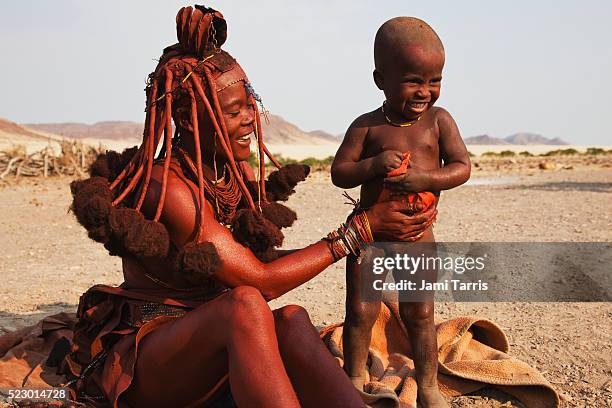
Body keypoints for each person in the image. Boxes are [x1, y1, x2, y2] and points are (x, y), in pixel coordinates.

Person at [61, 6, 436, 408]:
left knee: (292, 319)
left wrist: (363, 237)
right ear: (189, 119)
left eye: (249, 104)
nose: (248, 119)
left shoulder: (229, 173)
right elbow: (259, 282)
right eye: (232, 110)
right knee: (245, 304)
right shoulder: (166, 187)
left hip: (218, 345)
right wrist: (355, 233)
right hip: (153, 360)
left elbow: (250, 266)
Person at [330, 16, 471, 407]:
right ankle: (354, 377)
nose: (425, 91)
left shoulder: (439, 122)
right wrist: (373, 166)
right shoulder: (366, 127)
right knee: (359, 311)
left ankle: (427, 385)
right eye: (413, 80)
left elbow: (461, 167)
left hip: (416, 238)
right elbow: (340, 173)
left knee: (421, 315)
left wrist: (425, 178)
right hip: (369, 239)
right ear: (381, 80)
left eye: (434, 80)